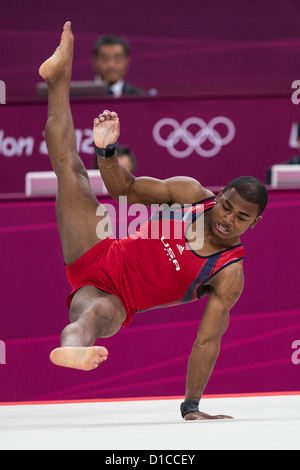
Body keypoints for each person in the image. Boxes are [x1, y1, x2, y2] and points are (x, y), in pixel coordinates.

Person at [39, 22, 268, 421]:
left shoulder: (229, 273)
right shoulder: (192, 194)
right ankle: (60, 77)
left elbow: (207, 340)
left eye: (241, 217)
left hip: (117, 299)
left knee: (91, 316)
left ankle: (73, 351)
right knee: (71, 170)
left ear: (255, 223)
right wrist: (106, 152)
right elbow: (123, 191)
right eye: (227, 205)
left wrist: (192, 406)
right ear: (221, 194)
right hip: (98, 247)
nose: (228, 219)